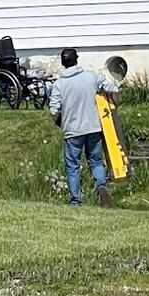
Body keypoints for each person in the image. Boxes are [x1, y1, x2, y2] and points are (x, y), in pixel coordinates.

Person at [49, 48, 113, 207]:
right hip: (94, 127)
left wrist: (59, 121)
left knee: (73, 166)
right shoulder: (91, 76)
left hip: (72, 130)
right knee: (96, 161)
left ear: (63, 63)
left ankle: (76, 200)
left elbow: (54, 110)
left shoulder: (59, 84)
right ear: (77, 60)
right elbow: (110, 86)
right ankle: (101, 186)